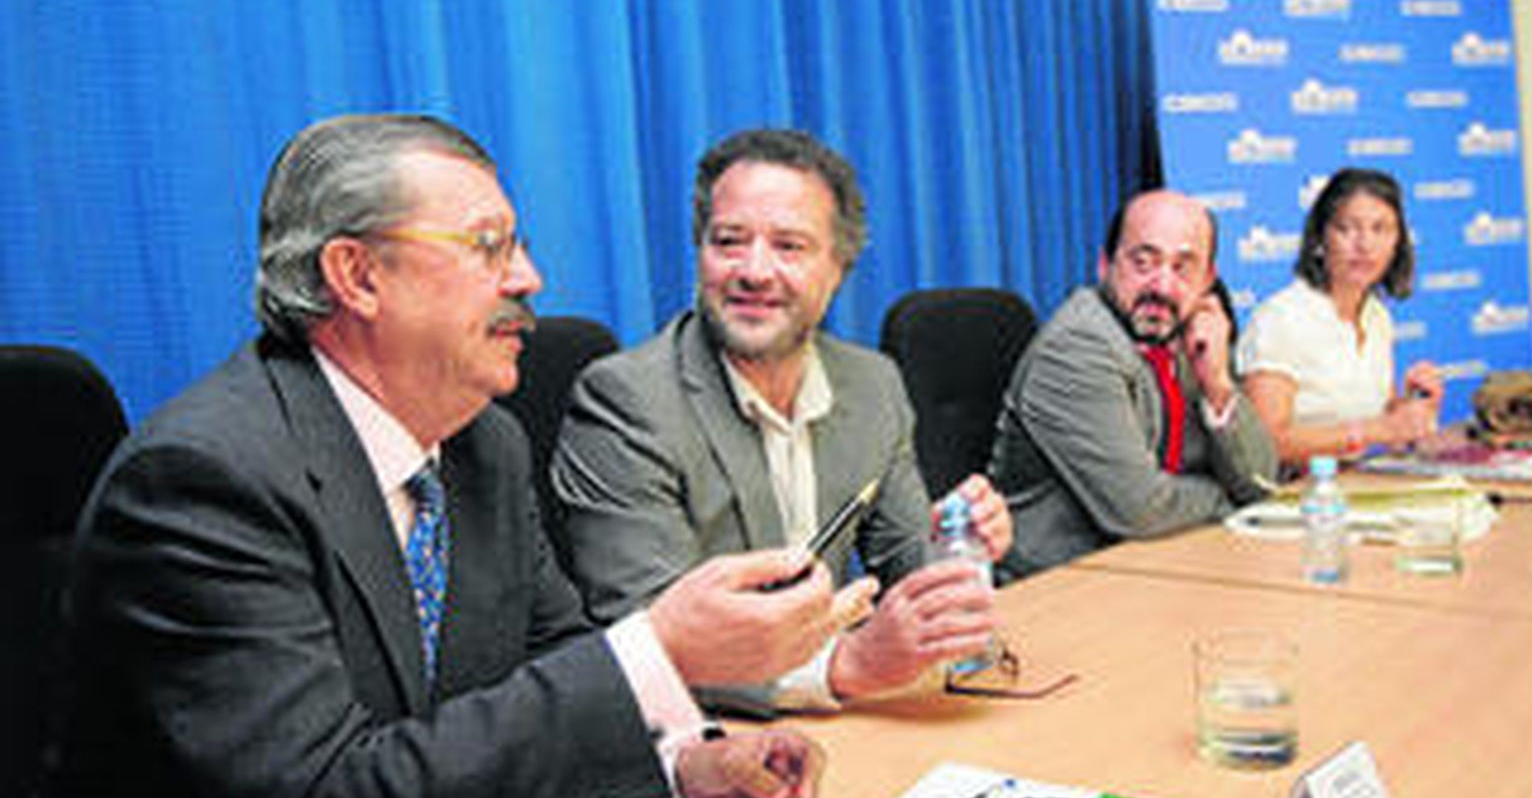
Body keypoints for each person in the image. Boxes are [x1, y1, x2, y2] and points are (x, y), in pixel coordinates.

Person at [18, 114, 830, 798]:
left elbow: (550, 665)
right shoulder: (202, 478)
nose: (532, 277)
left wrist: (686, 762)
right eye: (489, 246)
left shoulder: (484, 443)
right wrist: (661, 649)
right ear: (358, 274)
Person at [551, 128, 1009, 712]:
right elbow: (654, 641)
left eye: (789, 246)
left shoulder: (873, 386)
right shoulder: (626, 402)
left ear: (839, 268)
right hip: (708, 739)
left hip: (846, 727)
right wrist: (847, 664)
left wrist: (957, 544)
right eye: (729, 241)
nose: (754, 271)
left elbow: (906, 568)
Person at [989, 190, 1277, 578]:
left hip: (1160, 562)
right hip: (1059, 580)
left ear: (1208, 280)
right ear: (1105, 265)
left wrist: (1218, 384)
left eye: (1183, 268)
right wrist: (1225, 496)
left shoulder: (1189, 335)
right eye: (1144, 262)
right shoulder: (1077, 347)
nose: (1161, 285)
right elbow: (1140, 510)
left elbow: (1261, 480)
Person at [1237, 167, 1442, 466]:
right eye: (1348, 228)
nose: (1365, 245)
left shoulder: (1376, 316)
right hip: (1290, 494)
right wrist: (1378, 429)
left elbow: (1380, 426)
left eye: (1380, 229)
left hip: (1351, 484)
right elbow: (1266, 442)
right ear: (1320, 239)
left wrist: (1412, 408)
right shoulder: (1281, 319)